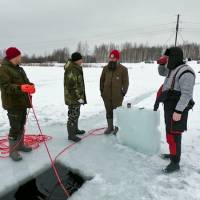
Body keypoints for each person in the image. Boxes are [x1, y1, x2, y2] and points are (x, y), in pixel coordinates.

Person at [155, 47, 195, 173]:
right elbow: (162, 73)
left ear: (175, 57)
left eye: (168, 58)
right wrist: (161, 64)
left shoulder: (186, 72)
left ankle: (175, 162)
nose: (167, 60)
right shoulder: (173, 69)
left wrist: (178, 111)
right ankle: (173, 155)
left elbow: (186, 94)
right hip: (169, 106)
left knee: (174, 134)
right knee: (170, 132)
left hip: (177, 108)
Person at [0, 47, 35, 161]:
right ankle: (12, 150)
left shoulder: (20, 69)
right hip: (13, 104)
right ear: (14, 57)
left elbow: (26, 82)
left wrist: (30, 86)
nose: (21, 57)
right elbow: (5, 87)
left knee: (21, 125)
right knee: (15, 128)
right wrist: (21, 88)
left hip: (22, 102)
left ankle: (20, 145)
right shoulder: (3, 69)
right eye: (19, 56)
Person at [100, 50, 129, 135]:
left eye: (114, 58)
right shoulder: (105, 69)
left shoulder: (123, 69)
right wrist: (102, 92)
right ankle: (110, 127)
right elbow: (101, 81)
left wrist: (123, 93)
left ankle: (117, 128)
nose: (112, 59)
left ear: (117, 58)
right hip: (106, 95)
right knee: (108, 111)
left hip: (117, 96)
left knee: (117, 112)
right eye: (111, 57)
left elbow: (126, 82)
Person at [64, 52, 87, 142]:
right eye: (81, 59)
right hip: (73, 98)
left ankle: (75, 130)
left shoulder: (76, 68)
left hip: (77, 97)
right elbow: (71, 86)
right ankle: (71, 135)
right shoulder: (72, 69)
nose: (82, 60)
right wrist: (78, 98)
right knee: (72, 115)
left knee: (76, 113)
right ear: (77, 60)